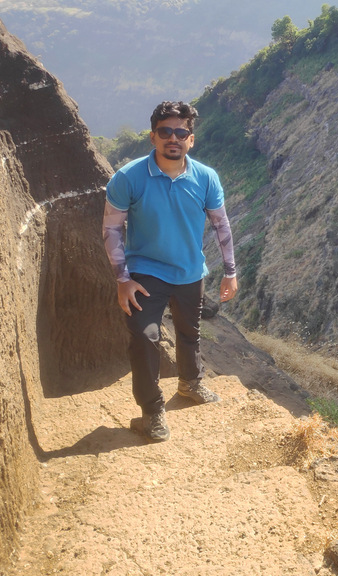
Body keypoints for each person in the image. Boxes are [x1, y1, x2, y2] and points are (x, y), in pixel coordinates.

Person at [102, 101, 238, 442]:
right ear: (153, 137)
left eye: (181, 132)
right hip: (145, 272)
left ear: (191, 139)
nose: (173, 138)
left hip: (191, 271)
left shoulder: (205, 177)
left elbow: (221, 225)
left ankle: (190, 384)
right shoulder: (128, 177)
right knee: (145, 337)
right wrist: (122, 279)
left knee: (189, 331)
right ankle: (152, 413)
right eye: (165, 132)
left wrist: (230, 271)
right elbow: (111, 230)